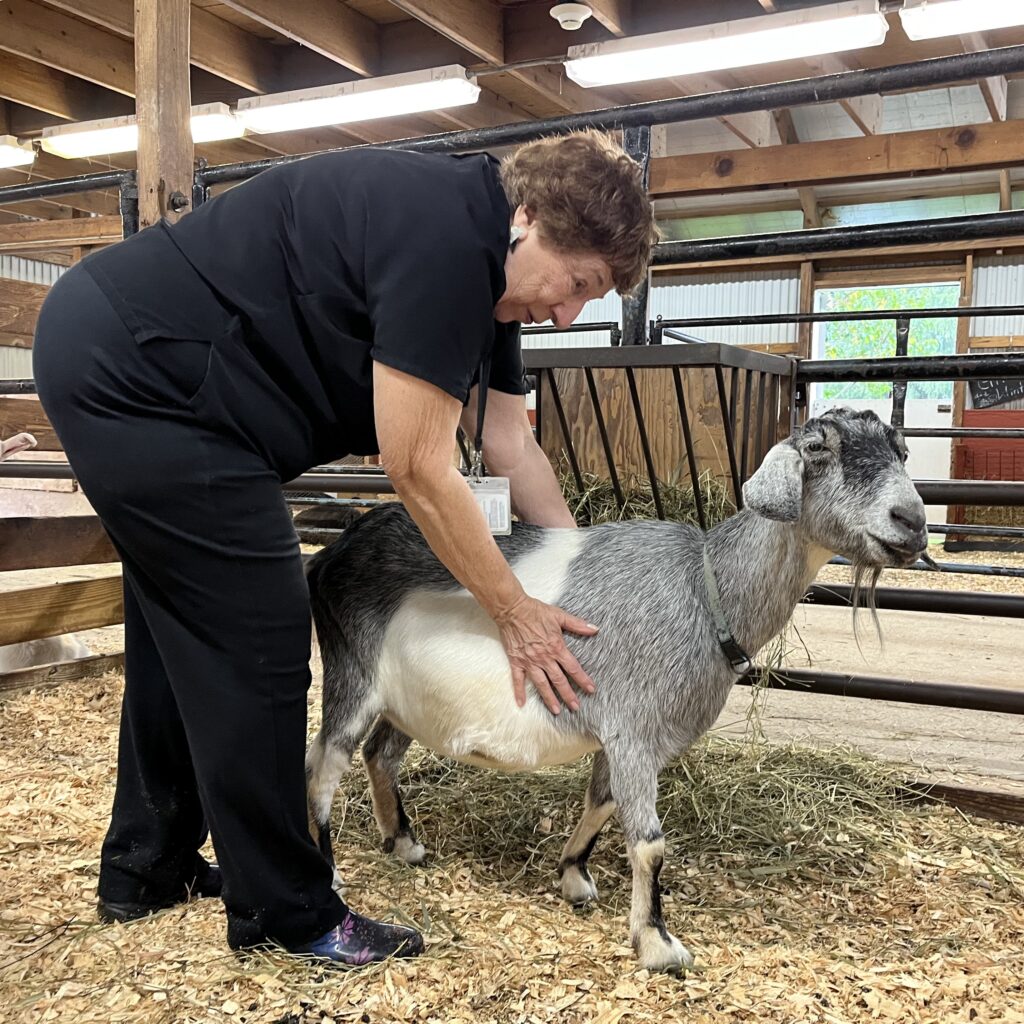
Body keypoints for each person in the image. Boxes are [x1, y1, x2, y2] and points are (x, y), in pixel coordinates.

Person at [32, 129, 657, 964]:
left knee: (179, 629)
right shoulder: (449, 247)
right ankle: (289, 915)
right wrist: (515, 611)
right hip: (145, 376)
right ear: (529, 218)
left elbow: (512, 446)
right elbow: (418, 466)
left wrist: (590, 585)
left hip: (141, 366)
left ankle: (147, 868)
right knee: (259, 632)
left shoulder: (492, 274)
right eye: (576, 284)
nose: (567, 312)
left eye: (592, 300)